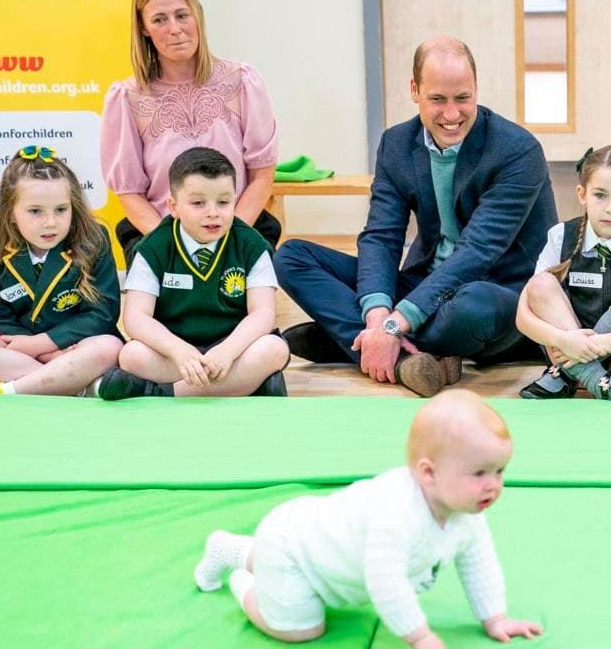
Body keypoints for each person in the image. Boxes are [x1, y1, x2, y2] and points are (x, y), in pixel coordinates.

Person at [275, 37, 557, 398]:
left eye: (463, 98)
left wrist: (397, 323)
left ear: (476, 89)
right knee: (292, 257)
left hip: (498, 292)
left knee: (475, 307)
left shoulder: (518, 151)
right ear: (415, 90)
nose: (452, 114)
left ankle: (353, 342)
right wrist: (379, 315)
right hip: (426, 283)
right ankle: (402, 357)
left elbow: (478, 252)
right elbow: (381, 236)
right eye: (438, 99)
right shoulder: (396, 144)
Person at [192, 388, 544, 647]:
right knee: (300, 631)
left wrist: (494, 617)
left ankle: (246, 555)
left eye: (499, 471)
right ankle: (242, 574)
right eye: (480, 473)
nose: (493, 485)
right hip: (291, 548)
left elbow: (478, 562)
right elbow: (385, 582)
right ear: (428, 473)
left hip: (320, 558)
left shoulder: (466, 512)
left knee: (292, 576)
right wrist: (419, 636)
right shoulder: (396, 514)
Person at [100, 0, 281, 259]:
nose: (175, 28)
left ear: (197, 15)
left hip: (236, 230)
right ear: (144, 28)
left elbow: (262, 176)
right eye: (160, 19)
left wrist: (227, 239)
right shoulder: (126, 97)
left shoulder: (243, 81)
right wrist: (177, 247)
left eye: (182, 15)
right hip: (162, 237)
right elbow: (130, 193)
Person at [97, 147, 288, 399]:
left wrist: (228, 352)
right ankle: (249, 385)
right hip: (176, 353)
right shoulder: (152, 248)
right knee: (132, 356)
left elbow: (262, 313)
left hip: (233, 349)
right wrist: (179, 350)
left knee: (274, 350)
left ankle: (160, 393)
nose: (213, 212)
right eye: (198, 203)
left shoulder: (251, 245)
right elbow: (136, 317)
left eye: (223, 202)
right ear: (173, 207)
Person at [516, 145, 611, 403]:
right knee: (541, 283)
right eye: (600, 195)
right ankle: (601, 382)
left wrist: (592, 347)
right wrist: (565, 340)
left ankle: (571, 374)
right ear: (582, 194)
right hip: (565, 347)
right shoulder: (559, 236)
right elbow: (524, 317)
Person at [0, 146, 123, 396]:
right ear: (10, 214)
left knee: (109, 347)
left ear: (73, 207)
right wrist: (38, 350)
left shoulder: (94, 239)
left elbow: (102, 313)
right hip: (20, 346)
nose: (50, 222)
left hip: (75, 345)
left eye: (61, 210)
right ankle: (74, 384)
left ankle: (10, 391)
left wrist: (43, 343)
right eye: (35, 211)